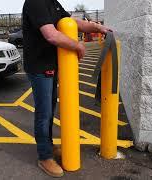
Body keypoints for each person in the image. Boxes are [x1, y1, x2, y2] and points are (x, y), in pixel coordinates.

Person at [22, 0, 111, 177]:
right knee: (44, 112)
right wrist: (77, 46)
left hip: (51, 65)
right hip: (39, 67)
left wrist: (97, 28)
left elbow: (74, 22)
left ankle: (48, 145)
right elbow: (51, 35)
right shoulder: (35, 2)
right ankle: (44, 156)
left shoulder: (52, 3)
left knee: (49, 109)